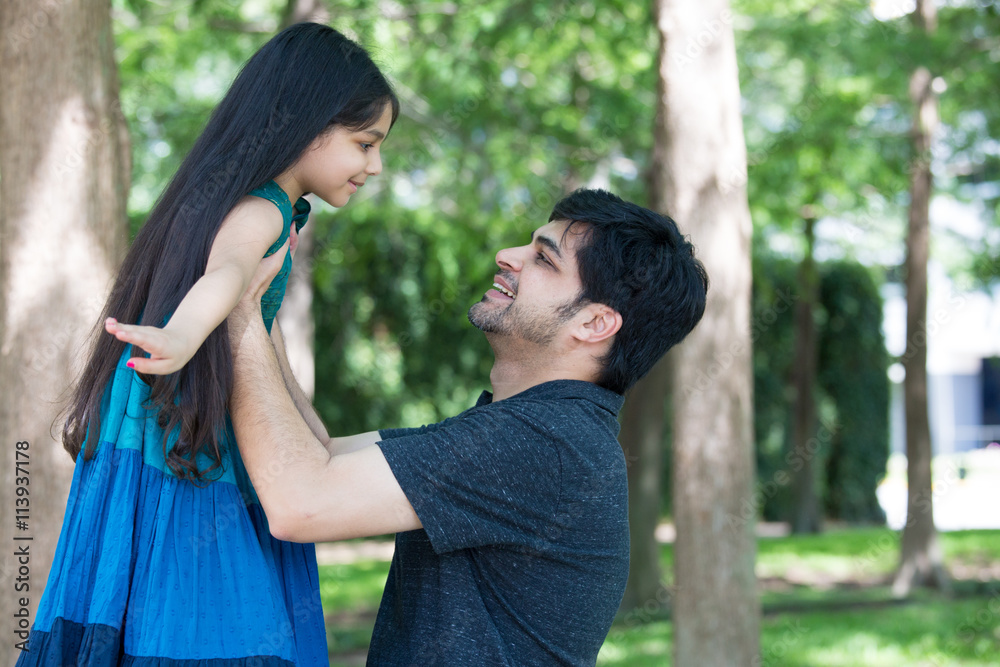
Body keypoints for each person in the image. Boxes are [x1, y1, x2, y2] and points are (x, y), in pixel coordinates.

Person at [17, 23, 397, 666]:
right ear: (310, 124)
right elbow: (227, 274)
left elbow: (262, 321)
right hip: (185, 419)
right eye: (365, 143)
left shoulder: (262, 204)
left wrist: (311, 430)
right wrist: (182, 336)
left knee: (150, 586)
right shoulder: (265, 210)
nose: (375, 165)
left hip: (179, 411)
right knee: (203, 603)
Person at [195, 188, 705, 665]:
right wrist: (262, 304)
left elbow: (300, 503)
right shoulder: (540, 430)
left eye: (544, 259)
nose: (508, 254)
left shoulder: (545, 444)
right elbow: (318, 452)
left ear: (593, 324)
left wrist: (235, 307)